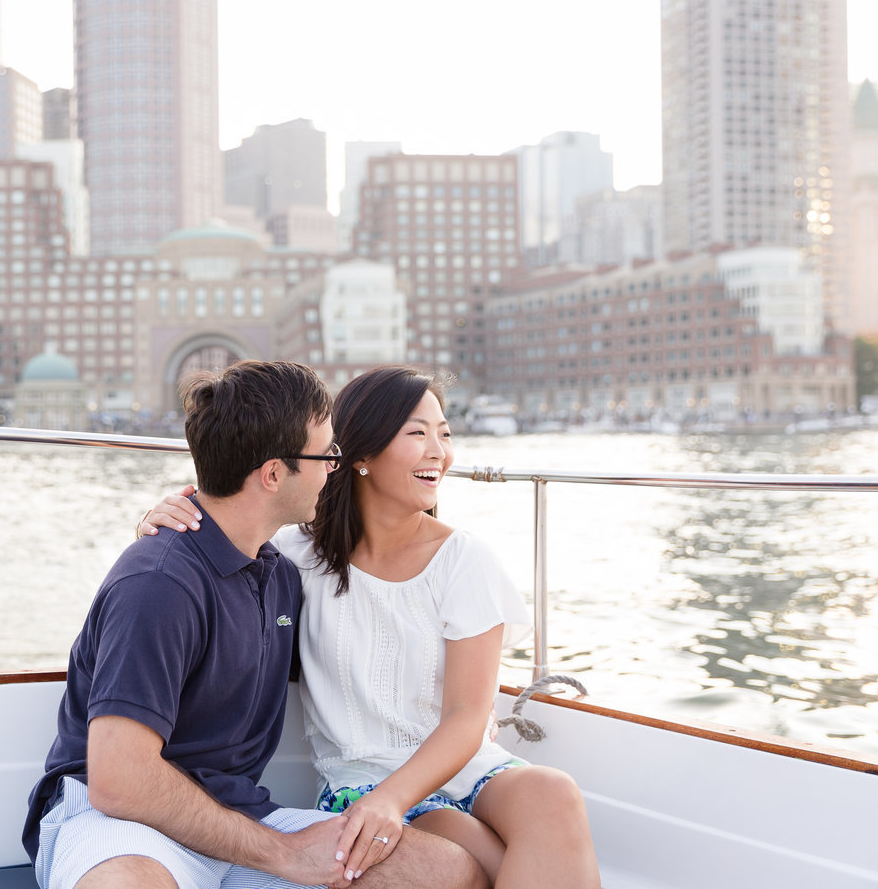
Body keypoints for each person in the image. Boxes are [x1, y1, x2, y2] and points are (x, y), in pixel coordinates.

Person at [24, 360, 485, 889]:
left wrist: (469, 702)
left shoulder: (281, 574)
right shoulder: (157, 583)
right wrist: (283, 855)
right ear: (272, 474)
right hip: (122, 824)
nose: (335, 467)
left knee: (445, 872)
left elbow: (358, 649)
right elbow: (119, 781)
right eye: (325, 455)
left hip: (238, 816)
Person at [140, 366, 600, 888]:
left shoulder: (464, 560)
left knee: (553, 791)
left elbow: (469, 714)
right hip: (361, 780)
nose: (439, 451)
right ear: (359, 455)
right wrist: (161, 518)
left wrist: (395, 798)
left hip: (460, 765)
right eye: (417, 433)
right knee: (468, 853)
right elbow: (219, 541)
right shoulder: (295, 557)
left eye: (444, 433)